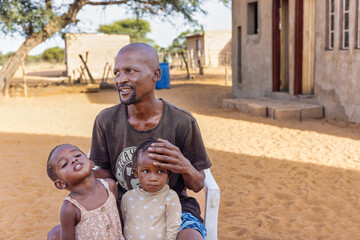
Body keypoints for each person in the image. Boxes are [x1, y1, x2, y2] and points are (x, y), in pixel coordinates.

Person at [90, 43, 211, 240]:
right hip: (124, 207)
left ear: (156, 75)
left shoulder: (182, 121)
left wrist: (184, 166)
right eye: (117, 73)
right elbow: (103, 173)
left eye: (130, 71)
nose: (121, 80)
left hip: (173, 206)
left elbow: (197, 185)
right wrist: (83, 173)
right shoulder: (106, 121)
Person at [46, 144, 124, 240]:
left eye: (77, 155)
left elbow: (118, 218)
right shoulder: (70, 208)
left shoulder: (109, 186)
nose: (74, 160)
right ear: (60, 184)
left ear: (91, 162)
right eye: (64, 164)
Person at [121, 138, 182, 240]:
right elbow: (124, 223)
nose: (153, 178)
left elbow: (173, 228)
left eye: (160, 171)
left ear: (168, 174)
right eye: (146, 171)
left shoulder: (170, 197)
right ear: (136, 173)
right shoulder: (128, 197)